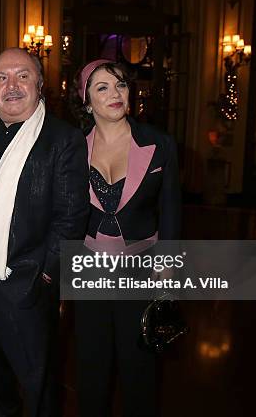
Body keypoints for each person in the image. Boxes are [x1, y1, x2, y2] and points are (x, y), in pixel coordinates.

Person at [0, 47, 89, 417]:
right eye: (2, 77)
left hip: (23, 283)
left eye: (23, 76)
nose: (12, 85)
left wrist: (43, 275)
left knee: (36, 379)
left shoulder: (62, 139)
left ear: (40, 85)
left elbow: (71, 218)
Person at [72, 59, 181, 417]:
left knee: (140, 371)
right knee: (92, 369)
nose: (115, 94)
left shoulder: (160, 144)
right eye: (102, 87)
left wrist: (167, 276)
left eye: (120, 85)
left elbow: (172, 213)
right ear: (87, 101)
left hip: (142, 272)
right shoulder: (72, 148)